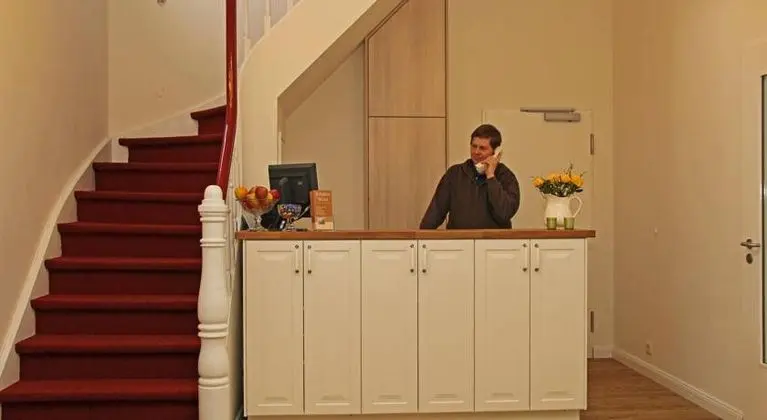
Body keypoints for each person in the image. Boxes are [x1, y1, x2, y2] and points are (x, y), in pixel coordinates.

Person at [419, 124, 520, 229]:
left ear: (495, 152)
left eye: (482, 148)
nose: (476, 152)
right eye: (474, 146)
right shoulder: (454, 174)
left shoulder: (506, 176)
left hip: (494, 238)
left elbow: (505, 212)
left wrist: (491, 176)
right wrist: (422, 235)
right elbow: (435, 212)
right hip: (459, 238)